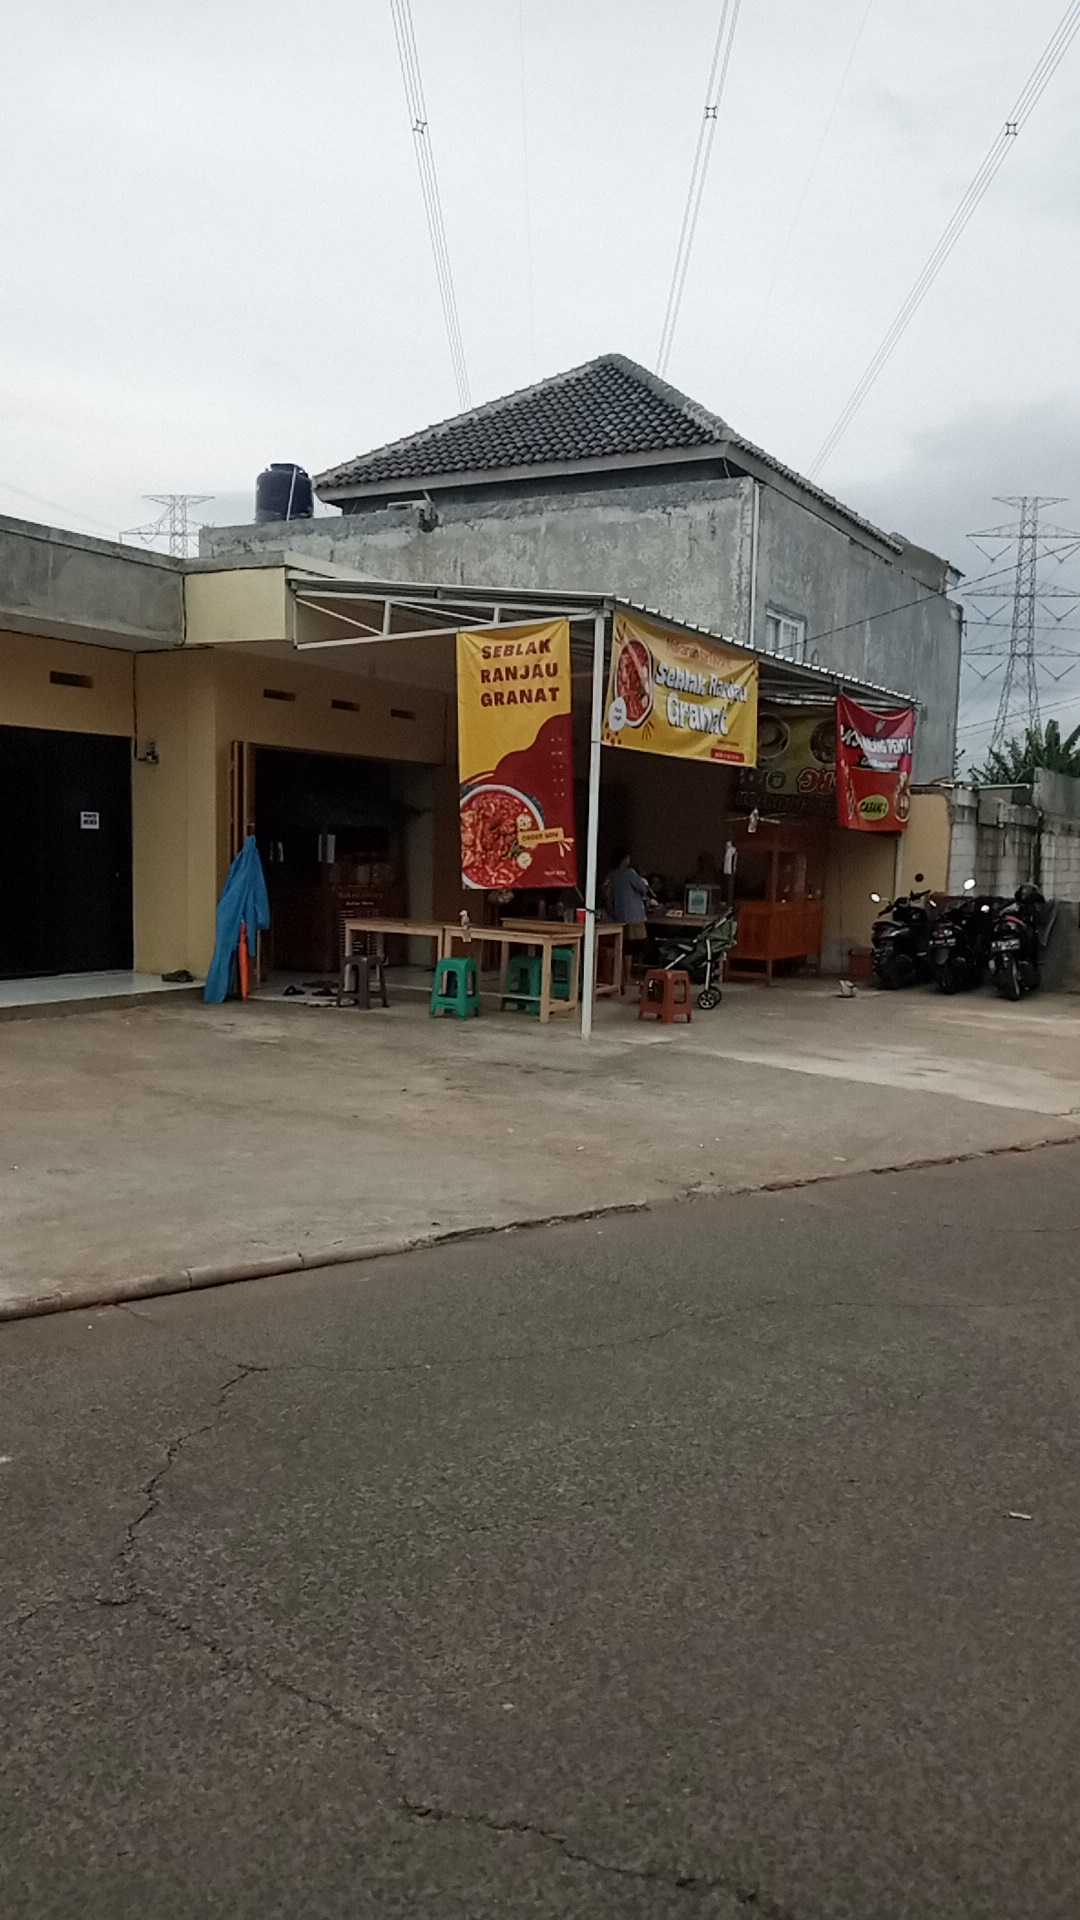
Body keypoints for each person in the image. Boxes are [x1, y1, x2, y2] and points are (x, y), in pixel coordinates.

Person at [607, 849, 652, 947]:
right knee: (637, 945)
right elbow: (643, 889)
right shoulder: (630, 873)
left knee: (624, 946)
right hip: (634, 916)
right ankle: (634, 962)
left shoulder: (612, 875)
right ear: (624, 859)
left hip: (619, 915)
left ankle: (625, 962)